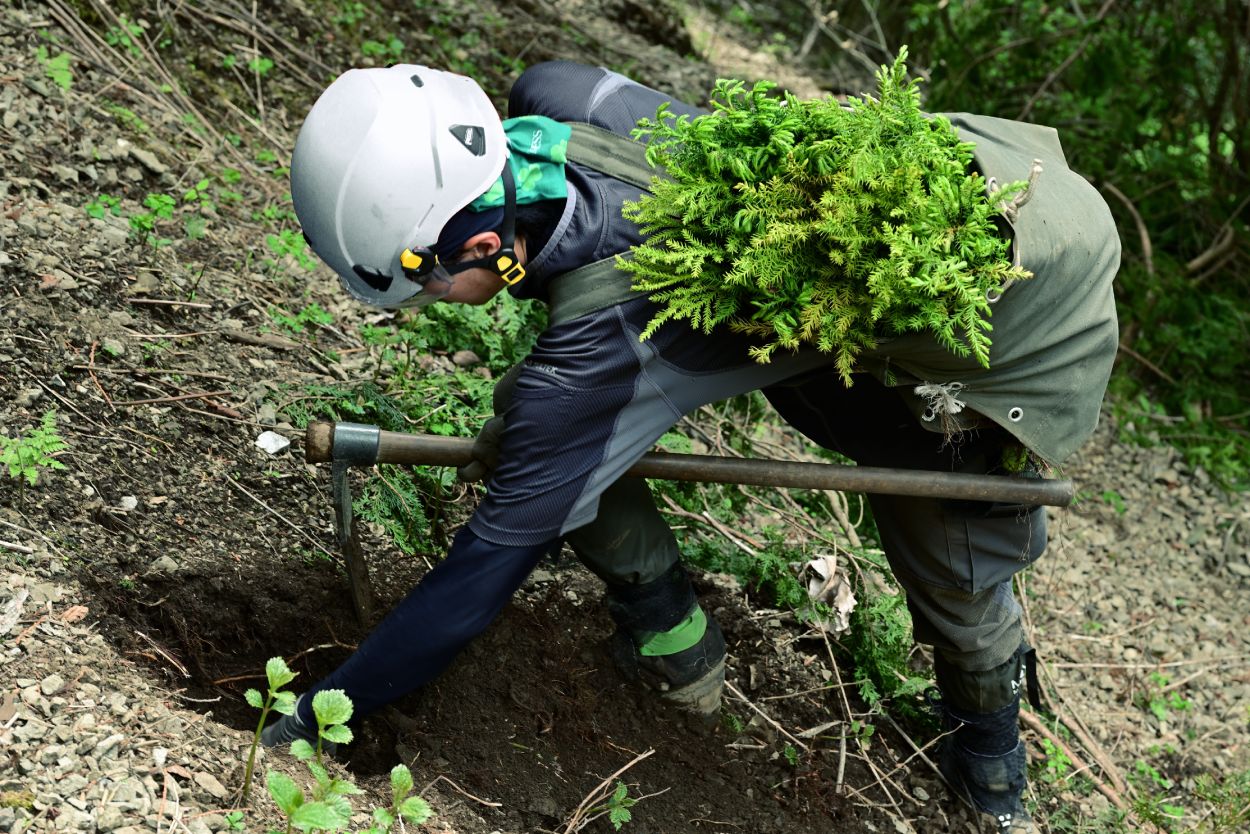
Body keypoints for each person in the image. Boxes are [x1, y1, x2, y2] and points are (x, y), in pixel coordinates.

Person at [261, 60, 1120, 834]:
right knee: (533, 423)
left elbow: (467, 591)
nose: (436, 302)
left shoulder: (595, 356)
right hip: (846, 266)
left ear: (482, 244)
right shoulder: (555, 94)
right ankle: (674, 636)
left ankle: (990, 768)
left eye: (427, 284)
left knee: (958, 566)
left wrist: (306, 720)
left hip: (999, 322)